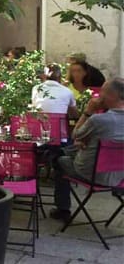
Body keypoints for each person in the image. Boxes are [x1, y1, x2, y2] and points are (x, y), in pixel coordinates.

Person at [50, 78, 124, 221]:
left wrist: (88, 112)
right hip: (120, 176)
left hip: (93, 173)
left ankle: (63, 209)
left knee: (59, 160)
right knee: (74, 147)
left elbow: (75, 134)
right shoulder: (103, 121)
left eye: (102, 91)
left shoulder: (99, 120)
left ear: (111, 96)